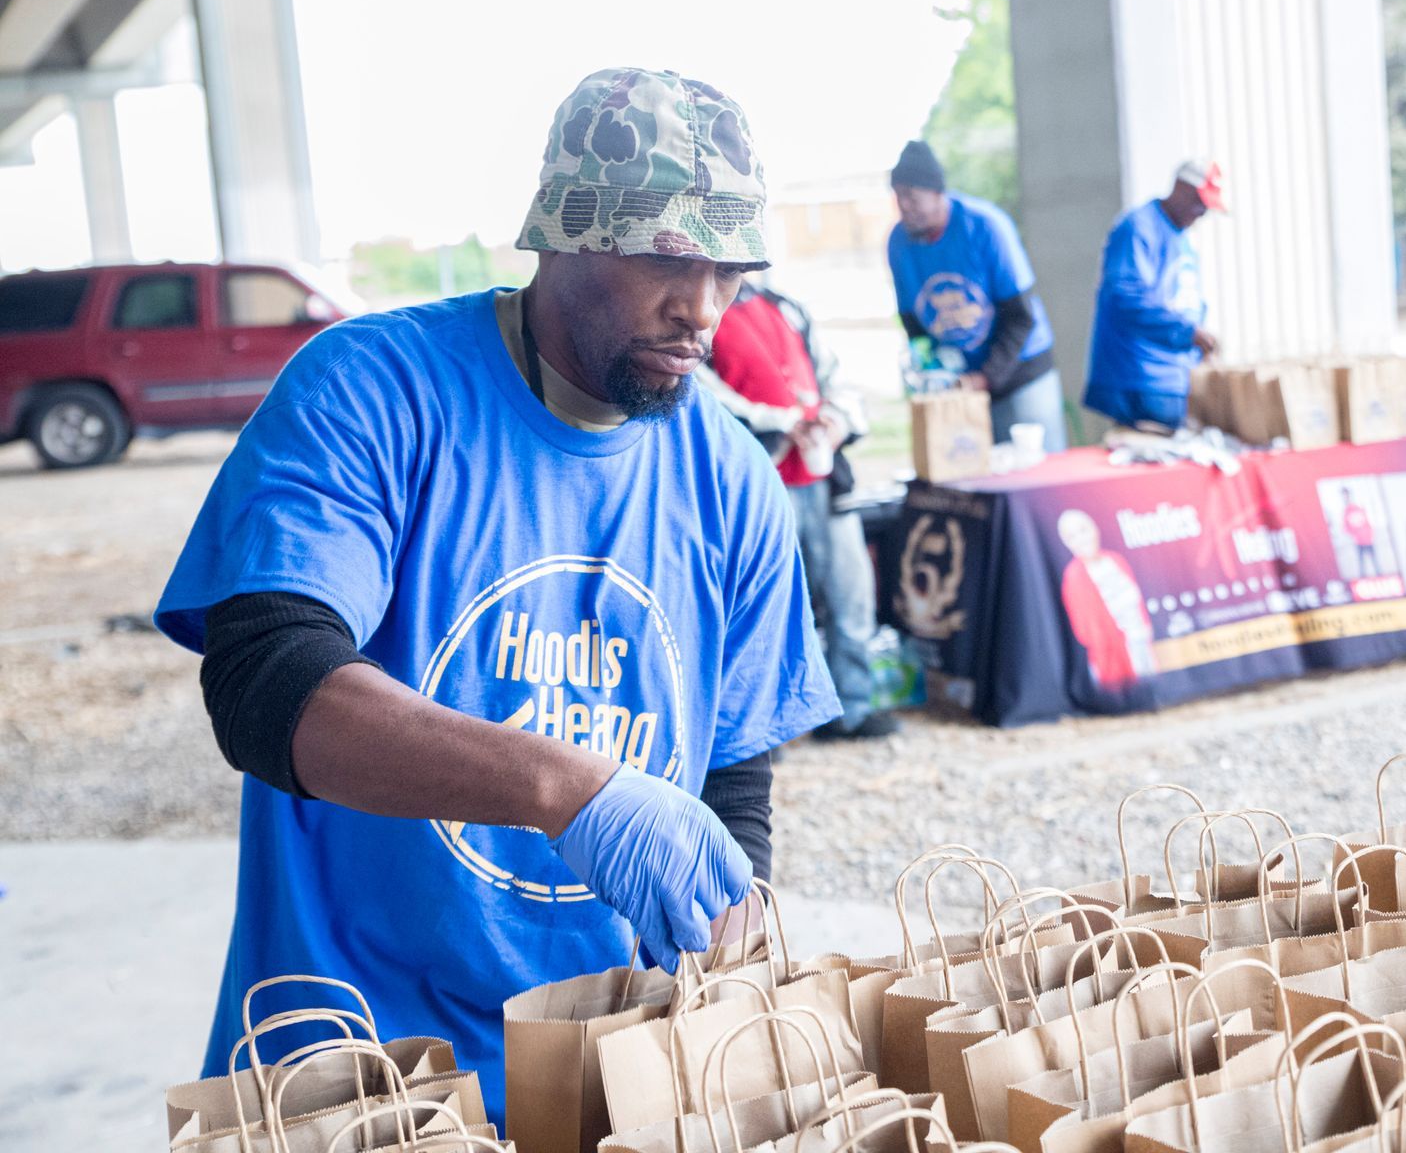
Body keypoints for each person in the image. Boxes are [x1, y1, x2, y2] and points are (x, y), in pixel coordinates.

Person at [153, 67, 839, 1121]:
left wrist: (721, 953)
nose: (702, 306)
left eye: (732, 267)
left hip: (608, 1064)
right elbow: (266, 681)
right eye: (665, 254)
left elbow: (733, 775)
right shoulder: (373, 390)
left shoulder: (733, 478)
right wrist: (569, 787)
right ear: (562, 232)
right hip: (357, 1068)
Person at [697, 280, 899, 740]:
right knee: (761, 606)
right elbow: (707, 397)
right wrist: (787, 424)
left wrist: (836, 422)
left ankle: (850, 707)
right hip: (762, 478)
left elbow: (833, 378)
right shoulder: (701, 308)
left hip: (825, 477)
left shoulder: (783, 305)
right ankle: (760, 728)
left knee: (852, 595)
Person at [885, 139, 1067, 450]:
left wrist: (985, 378)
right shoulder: (899, 244)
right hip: (961, 384)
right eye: (898, 197)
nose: (904, 206)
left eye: (912, 197)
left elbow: (1021, 317)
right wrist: (935, 372)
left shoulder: (985, 226)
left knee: (1035, 476)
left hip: (1020, 374)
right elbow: (913, 324)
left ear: (938, 192)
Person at [1082, 159, 1227, 432]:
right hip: (1141, 377)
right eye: (1199, 203)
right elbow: (1127, 295)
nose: (1202, 213)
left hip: (1173, 376)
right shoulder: (1139, 227)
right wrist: (1187, 332)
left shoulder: (1179, 236)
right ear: (1181, 189)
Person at [1056, 509, 1156, 688]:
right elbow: (1086, 629)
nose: (1082, 539)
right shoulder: (1075, 577)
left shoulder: (1115, 560)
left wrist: (1143, 629)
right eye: (1072, 536)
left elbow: (1137, 600)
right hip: (1113, 654)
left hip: (1139, 639)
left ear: (1095, 529)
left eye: (1083, 530)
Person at [1341, 486, 1380, 577]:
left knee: (1376, 563)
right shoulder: (1345, 512)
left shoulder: (1359, 508)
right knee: (1362, 565)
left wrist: (1370, 535)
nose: (1346, 498)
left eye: (1347, 495)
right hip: (1358, 542)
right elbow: (1345, 528)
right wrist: (1354, 535)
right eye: (1344, 496)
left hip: (1368, 540)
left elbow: (1368, 523)